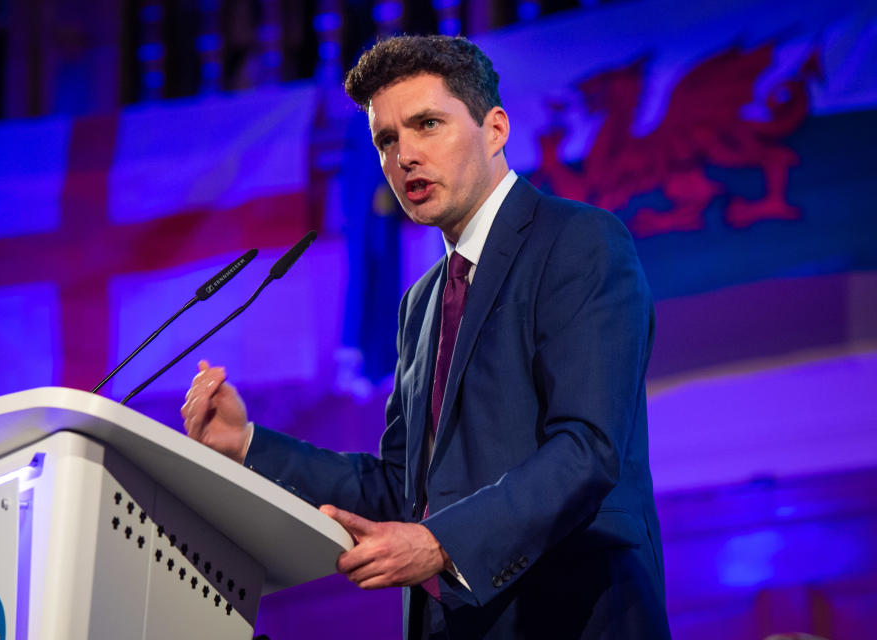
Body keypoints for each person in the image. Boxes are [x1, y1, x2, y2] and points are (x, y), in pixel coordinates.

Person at [182, 35, 670, 639]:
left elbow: (586, 450)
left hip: (572, 618)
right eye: (386, 139)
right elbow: (400, 490)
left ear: (495, 129)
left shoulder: (579, 242)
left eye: (427, 124)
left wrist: (441, 545)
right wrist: (248, 444)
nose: (404, 154)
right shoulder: (421, 303)